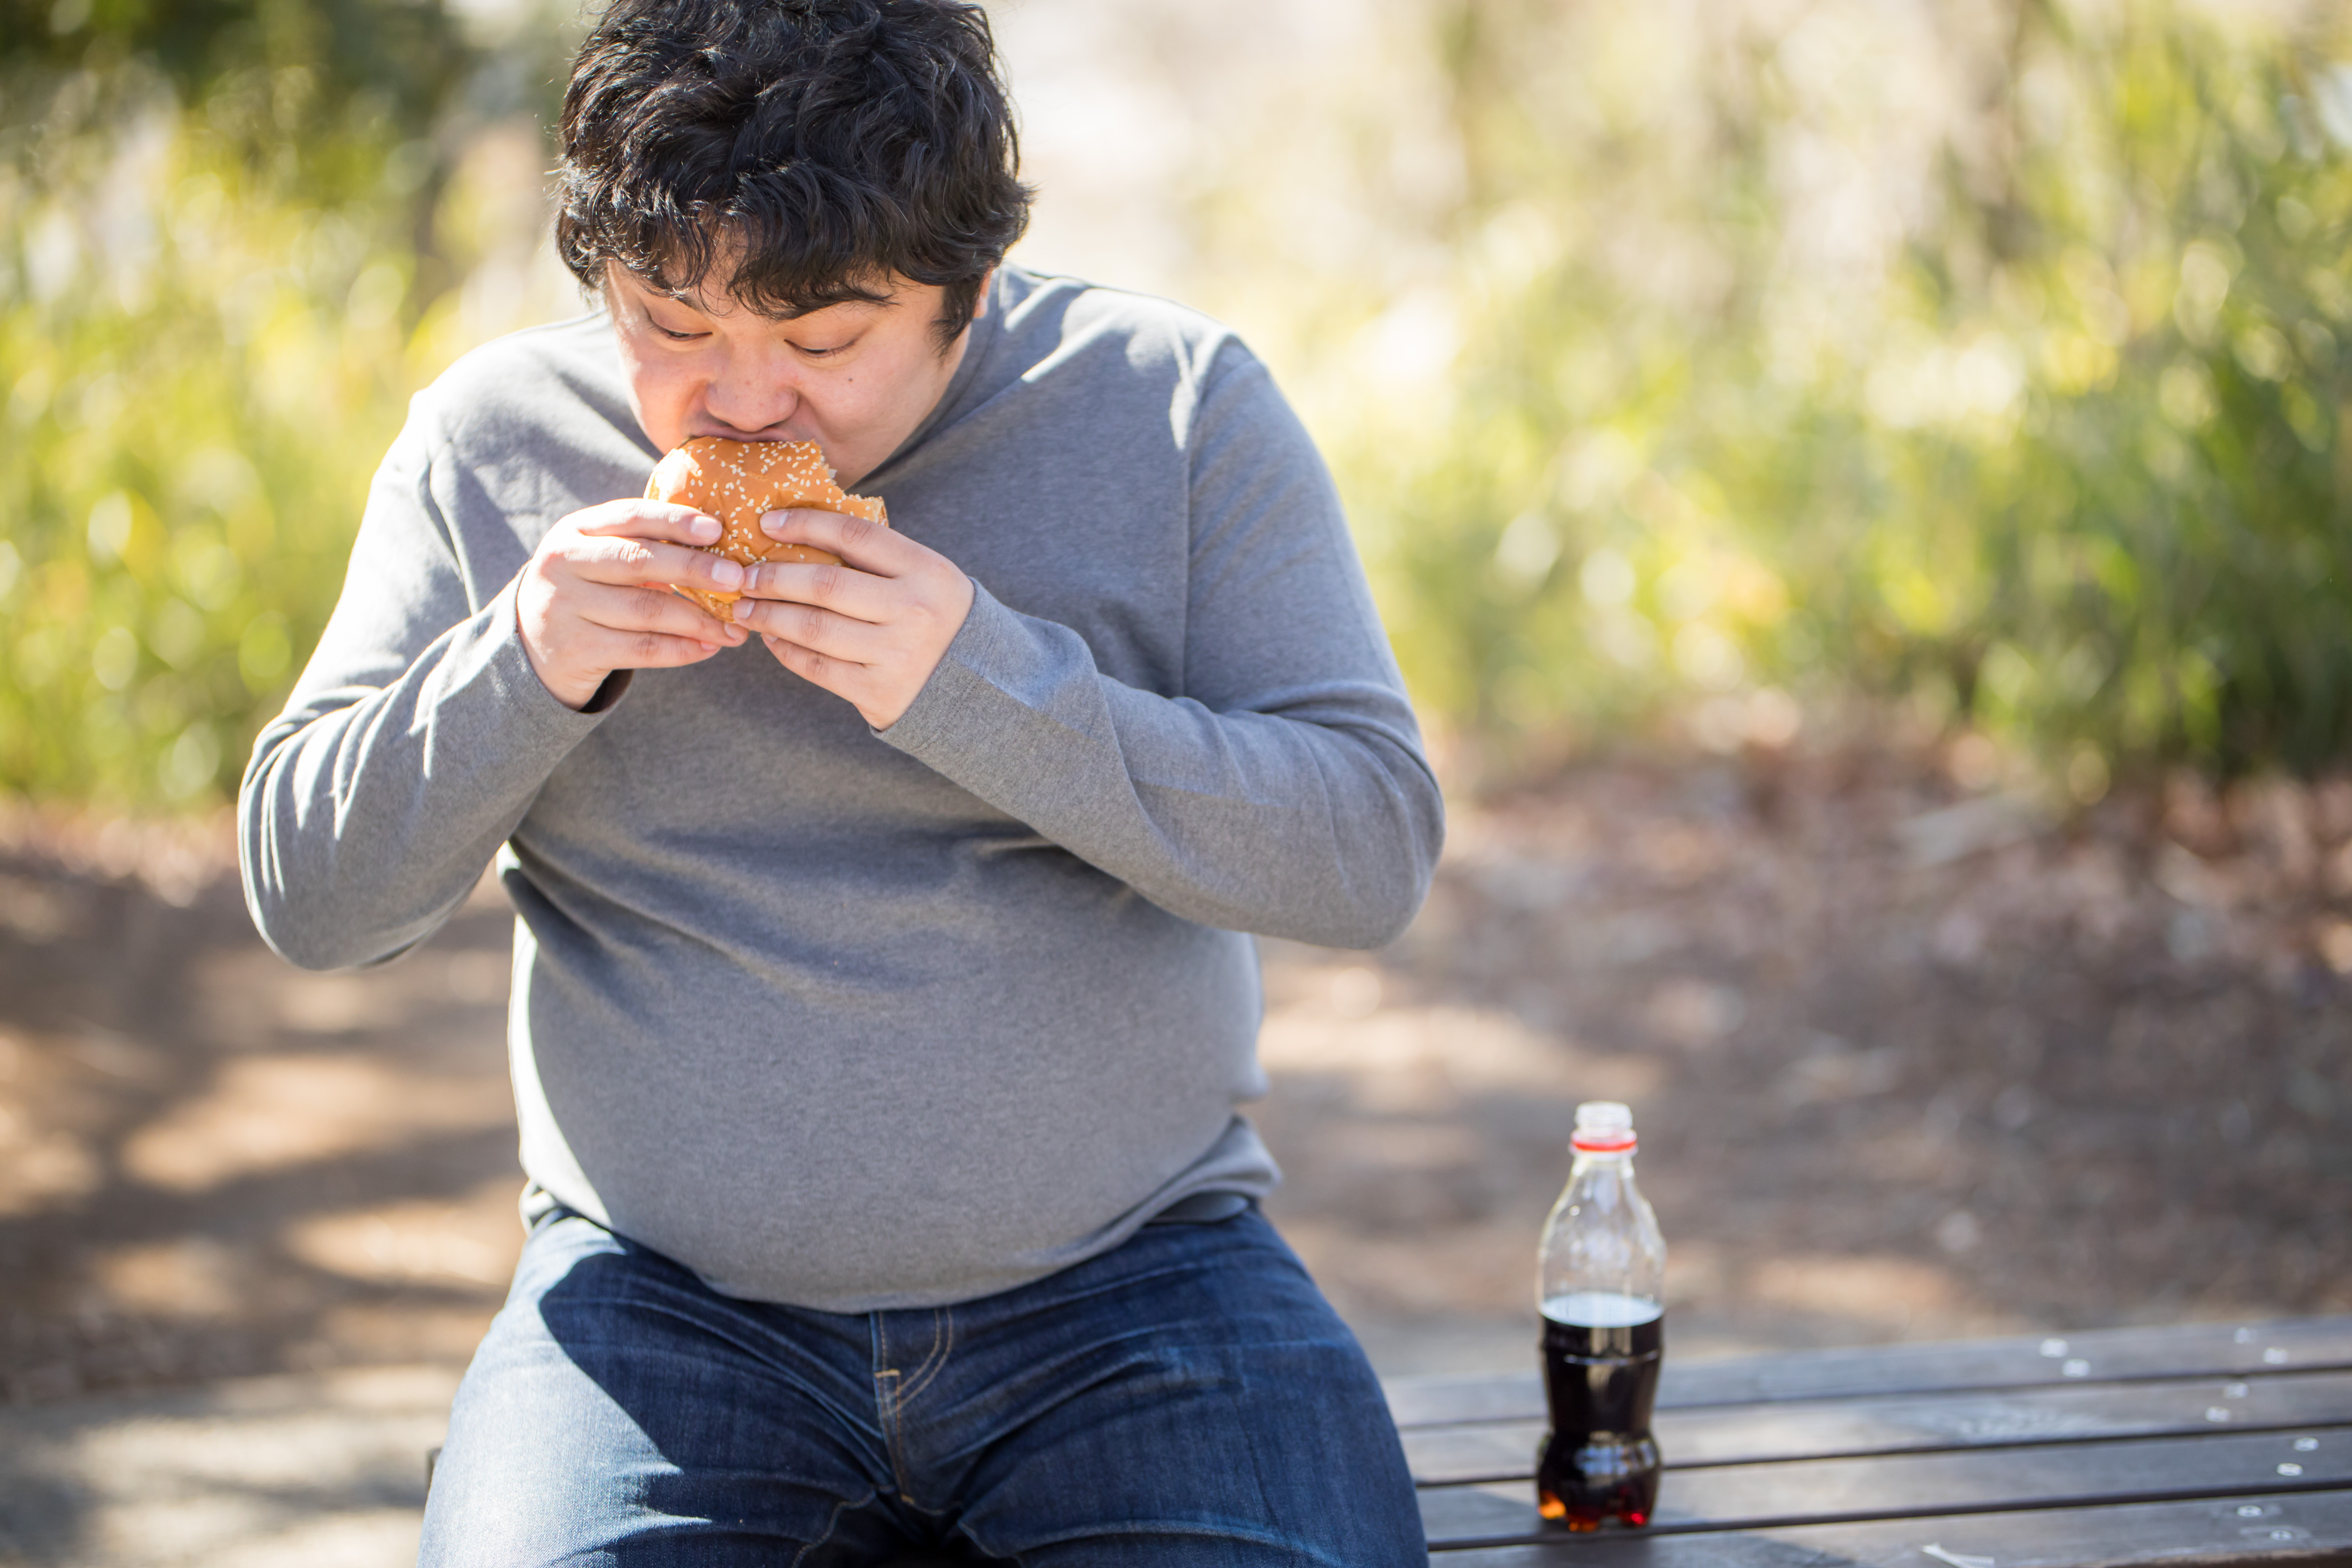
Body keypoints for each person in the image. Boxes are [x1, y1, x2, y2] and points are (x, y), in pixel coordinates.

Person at [238, 0, 1444, 1560]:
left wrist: (985, 687)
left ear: (972, 290)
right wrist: (523, 659)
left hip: (1143, 1283)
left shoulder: (1177, 408)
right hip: (657, 1309)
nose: (742, 404)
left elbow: (1369, 851)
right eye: (673, 325)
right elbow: (309, 900)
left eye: (822, 342)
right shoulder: (494, 448)